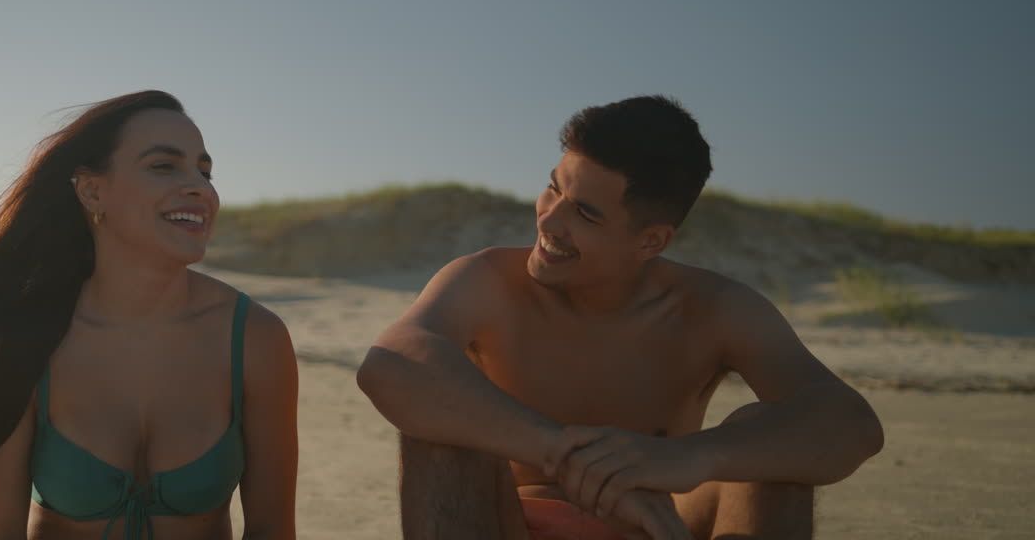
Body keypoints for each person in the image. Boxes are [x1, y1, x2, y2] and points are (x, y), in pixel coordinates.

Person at [357, 95, 884, 540]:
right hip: (507, 522)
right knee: (441, 429)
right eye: (554, 187)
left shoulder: (712, 308)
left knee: (768, 447)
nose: (550, 219)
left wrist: (688, 459)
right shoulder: (489, 280)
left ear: (650, 240)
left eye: (585, 213)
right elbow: (392, 365)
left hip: (658, 525)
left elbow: (851, 424)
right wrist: (567, 453)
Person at [0, 90, 298, 540]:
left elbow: (271, 529)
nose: (200, 188)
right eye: (164, 166)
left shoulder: (253, 337)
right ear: (92, 191)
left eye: (205, 171)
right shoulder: (26, 340)